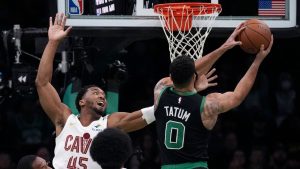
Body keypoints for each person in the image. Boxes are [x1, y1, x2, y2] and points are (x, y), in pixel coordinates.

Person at [35, 12, 228, 169]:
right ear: (81, 101)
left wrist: (191, 89)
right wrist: (53, 42)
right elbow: (42, 83)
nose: (101, 94)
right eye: (95, 91)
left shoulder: (110, 124)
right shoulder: (64, 119)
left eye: (102, 93)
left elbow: (168, 95)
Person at [153, 27, 274, 168]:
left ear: (171, 76)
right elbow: (238, 96)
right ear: (194, 76)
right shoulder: (207, 105)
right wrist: (257, 61)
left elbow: (182, 79)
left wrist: (194, 86)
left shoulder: (160, 90)